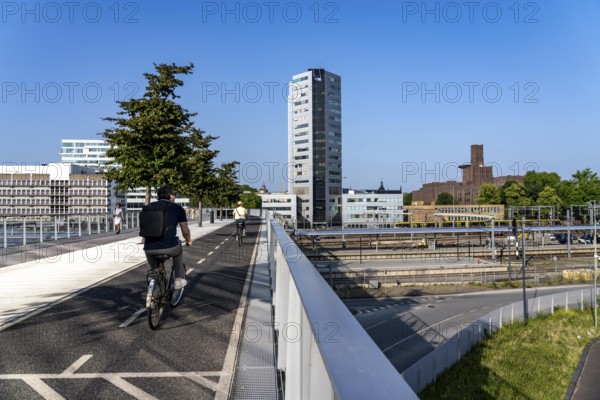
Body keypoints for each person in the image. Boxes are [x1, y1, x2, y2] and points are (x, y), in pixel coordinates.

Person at [143, 185, 192, 290]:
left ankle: (155, 290)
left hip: (149, 248)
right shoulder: (177, 208)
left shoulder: (149, 207)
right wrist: (189, 240)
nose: (174, 197)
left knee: (155, 270)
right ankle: (178, 279)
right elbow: (185, 231)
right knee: (179, 249)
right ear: (170, 196)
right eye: (174, 194)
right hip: (169, 246)